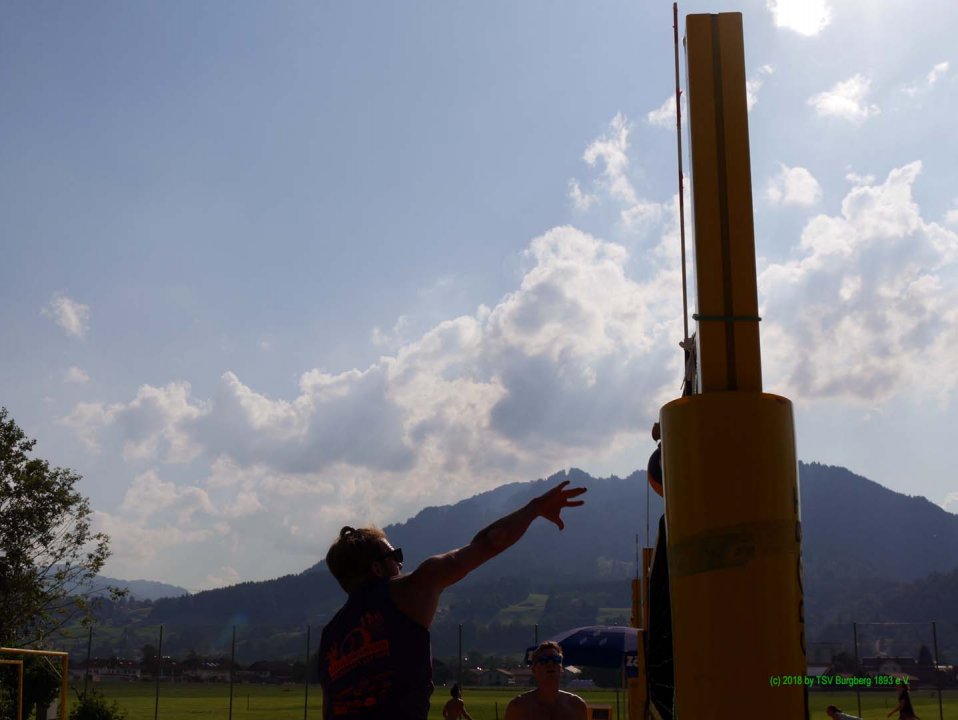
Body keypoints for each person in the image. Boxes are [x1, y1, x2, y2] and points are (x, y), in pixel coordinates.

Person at [318, 480, 587, 719]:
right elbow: (490, 542)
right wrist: (535, 508)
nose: (401, 565)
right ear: (377, 569)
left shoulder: (330, 637)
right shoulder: (407, 591)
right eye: (396, 557)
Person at [504, 641, 588, 720]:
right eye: (544, 660)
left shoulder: (576, 705)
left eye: (556, 659)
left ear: (561, 668)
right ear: (534, 670)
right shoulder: (518, 707)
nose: (550, 664)